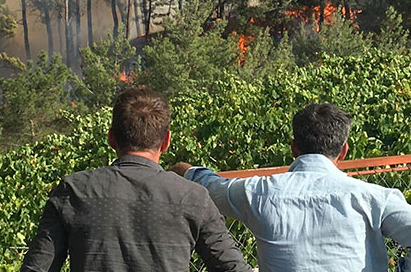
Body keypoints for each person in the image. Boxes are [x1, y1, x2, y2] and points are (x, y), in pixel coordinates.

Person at [169, 102, 411, 272]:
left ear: (293, 148)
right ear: (344, 151)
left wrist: (185, 170)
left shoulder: (257, 193)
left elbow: (213, 188)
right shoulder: (373, 197)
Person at [20, 87, 251, 272]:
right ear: (166, 141)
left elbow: (38, 266)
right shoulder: (193, 197)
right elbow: (231, 267)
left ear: (111, 138)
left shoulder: (73, 191)